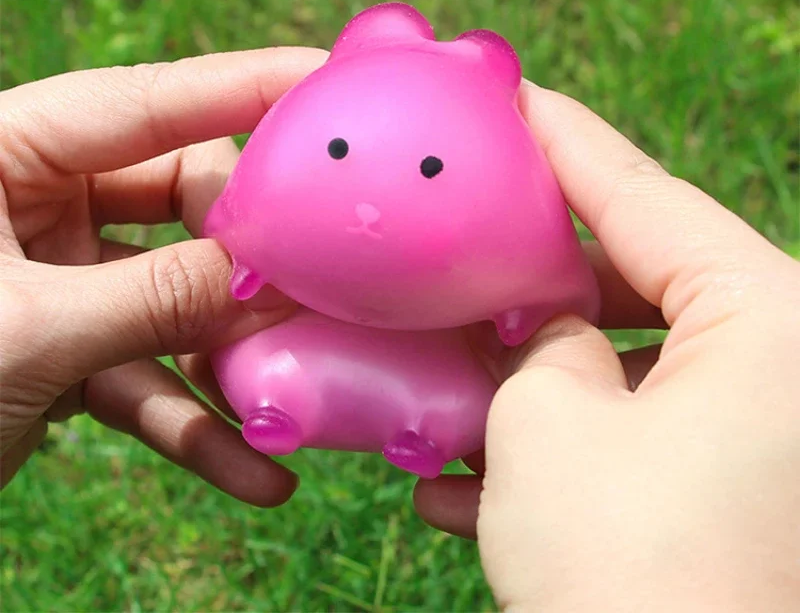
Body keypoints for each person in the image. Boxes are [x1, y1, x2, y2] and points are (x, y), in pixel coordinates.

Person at [1, 50, 798, 610]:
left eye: (428, 173)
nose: (371, 209)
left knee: (454, 396)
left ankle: (406, 426)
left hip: (439, 362)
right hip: (291, 344)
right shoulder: (264, 209)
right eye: (341, 151)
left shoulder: (508, 223)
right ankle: (281, 411)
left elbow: (544, 262)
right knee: (263, 363)